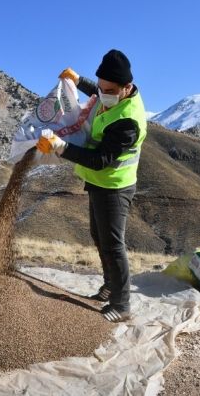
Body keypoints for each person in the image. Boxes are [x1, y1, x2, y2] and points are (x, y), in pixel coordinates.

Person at [36, 49, 147, 323]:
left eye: (110, 90)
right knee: (99, 236)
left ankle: (121, 304)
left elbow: (101, 161)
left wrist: (61, 148)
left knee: (112, 243)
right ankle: (110, 284)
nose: (102, 94)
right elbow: (97, 92)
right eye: (101, 87)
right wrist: (78, 79)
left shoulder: (128, 121)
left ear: (126, 88)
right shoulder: (108, 94)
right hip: (98, 183)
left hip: (114, 186)